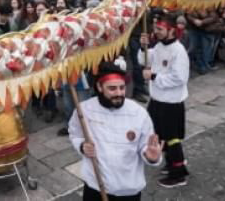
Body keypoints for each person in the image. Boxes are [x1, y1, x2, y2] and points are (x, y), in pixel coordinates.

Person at [67, 62, 163, 200]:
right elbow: (75, 133)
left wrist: (151, 157)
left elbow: (145, 147)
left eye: (122, 88)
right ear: (99, 87)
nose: (118, 93)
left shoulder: (138, 113)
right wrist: (82, 146)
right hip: (95, 187)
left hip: (128, 191)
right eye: (112, 88)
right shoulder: (84, 110)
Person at [139, 17, 190, 187]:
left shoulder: (178, 50)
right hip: (157, 99)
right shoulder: (159, 46)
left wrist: (154, 77)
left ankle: (178, 173)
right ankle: (171, 163)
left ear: (171, 30)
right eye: (156, 28)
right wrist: (143, 47)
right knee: (158, 134)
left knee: (172, 138)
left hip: (171, 102)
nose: (156, 32)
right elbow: (145, 60)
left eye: (160, 29)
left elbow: (180, 78)